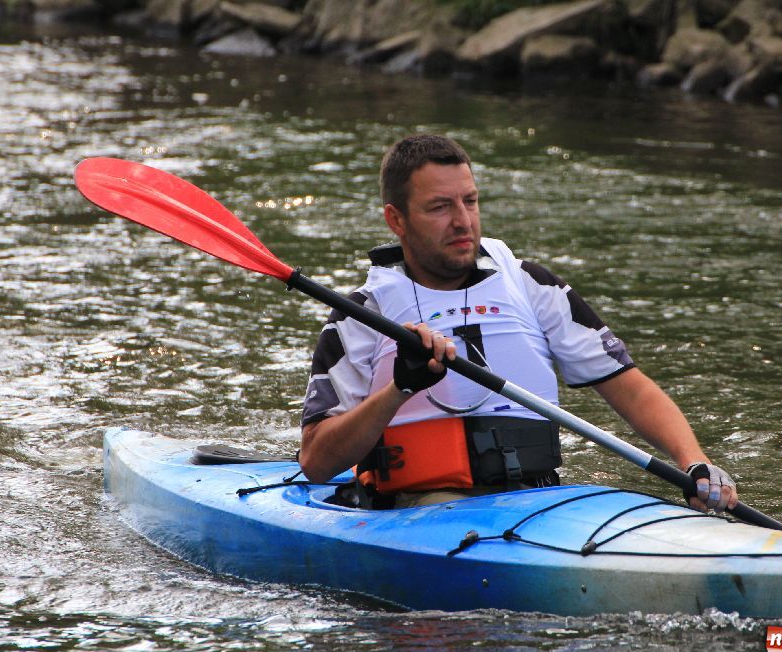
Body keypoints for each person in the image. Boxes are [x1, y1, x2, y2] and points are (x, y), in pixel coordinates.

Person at [299, 134, 737, 512]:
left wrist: (693, 460)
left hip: (537, 502)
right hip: (419, 509)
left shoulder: (530, 284)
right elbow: (317, 461)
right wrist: (400, 389)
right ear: (396, 219)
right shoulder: (361, 314)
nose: (462, 221)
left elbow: (630, 386)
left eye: (470, 201)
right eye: (439, 207)